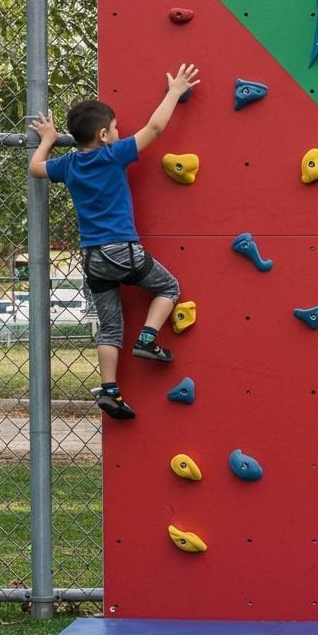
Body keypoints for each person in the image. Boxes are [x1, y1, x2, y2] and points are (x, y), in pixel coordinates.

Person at [28, 64, 200, 420]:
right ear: (105, 135)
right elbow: (154, 128)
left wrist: (47, 139)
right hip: (122, 249)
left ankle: (110, 391)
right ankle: (148, 339)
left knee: (109, 326)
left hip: (92, 259)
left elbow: (36, 169)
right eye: (117, 128)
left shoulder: (69, 165)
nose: (121, 132)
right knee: (168, 287)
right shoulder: (113, 154)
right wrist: (173, 92)